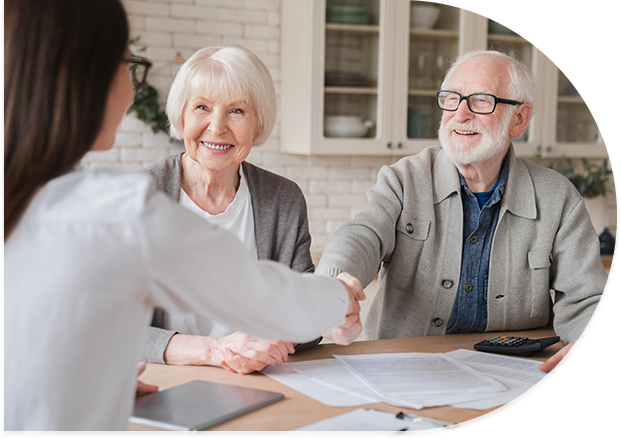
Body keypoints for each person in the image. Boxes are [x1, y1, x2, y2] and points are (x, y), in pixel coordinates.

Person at [0, 1, 364, 438]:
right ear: (85, 78)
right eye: (127, 65)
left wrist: (88, 379)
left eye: (237, 111)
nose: (132, 86)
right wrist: (339, 298)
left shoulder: (40, 200)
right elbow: (256, 294)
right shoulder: (121, 211)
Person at [316, 50, 611, 373]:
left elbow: (587, 298)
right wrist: (331, 287)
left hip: (517, 372)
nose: (460, 114)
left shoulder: (558, 197)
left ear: (520, 119)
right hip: (406, 367)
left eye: (481, 101)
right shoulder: (404, 178)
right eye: (452, 99)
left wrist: (594, 338)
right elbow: (363, 235)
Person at [141, 46, 362, 374]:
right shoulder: (140, 199)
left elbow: (299, 315)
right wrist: (216, 350)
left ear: (258, 125)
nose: (217, 127)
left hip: (260, 382)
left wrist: (327, 314)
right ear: (182, 116)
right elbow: (109, 328)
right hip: (165, 381)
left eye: (237, 111)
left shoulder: (283, 199)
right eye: (202, 106)